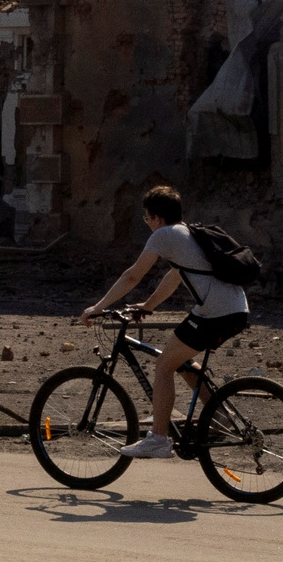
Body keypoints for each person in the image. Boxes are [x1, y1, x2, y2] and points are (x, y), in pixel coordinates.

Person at [75, 180, 249, 459]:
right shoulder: (186, 233)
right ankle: (221, 418)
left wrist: (97, 307)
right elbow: (175, 276)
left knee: (163, 365)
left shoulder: (164, 235)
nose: (147, 224)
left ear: (156, 217)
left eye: (147, 218)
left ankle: (158, 438)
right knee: (180, 361)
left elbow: (133, 274)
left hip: (216, 312)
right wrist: (148, 305)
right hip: (235, 309)